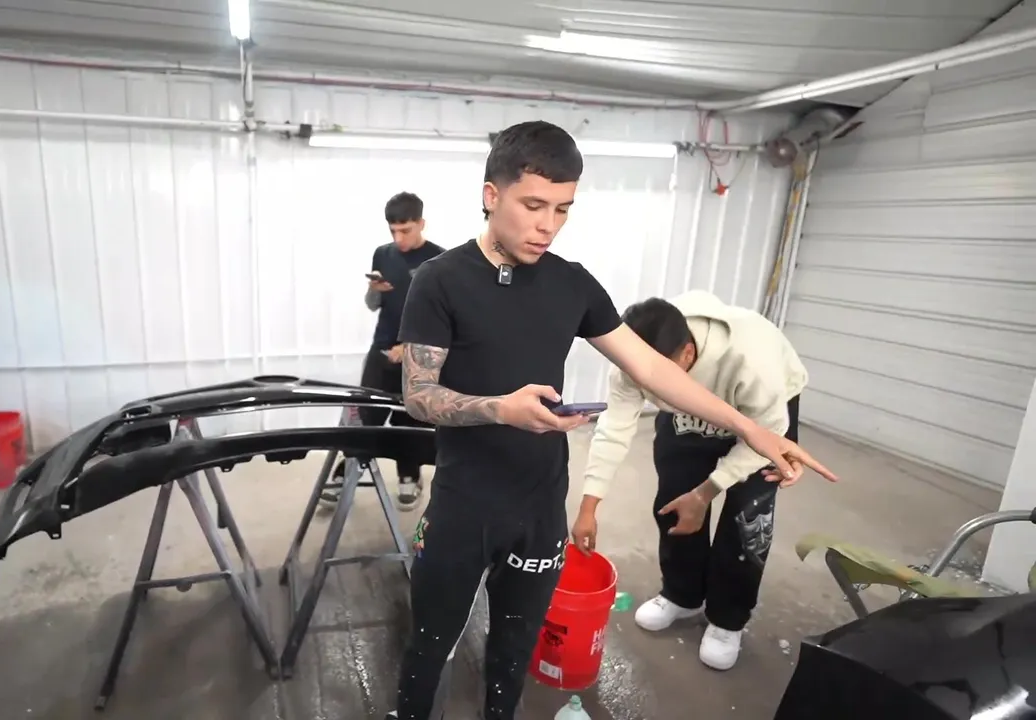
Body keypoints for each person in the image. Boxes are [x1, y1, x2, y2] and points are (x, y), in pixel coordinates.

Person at [386, 121, 836, 720]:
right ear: (492, 195)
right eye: (533, 206)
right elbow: (418, 395)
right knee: (431, 646)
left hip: (539, 508)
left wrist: (754, 429)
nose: (548, 225)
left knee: (515, 649)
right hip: (463, 507)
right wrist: (500, 408)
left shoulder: (571, 283)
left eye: (563, 210)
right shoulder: (439, 281)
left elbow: (651, 367)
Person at [571, 292, 817, 671]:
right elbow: (614, 429)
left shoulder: (752, 361)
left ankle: (727, 619)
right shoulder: (633, 359)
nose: (646, 387)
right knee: (674, 500)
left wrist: (706, 492)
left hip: (762, 410)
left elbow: (765, 438)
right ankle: (682, 595)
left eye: (655, 380)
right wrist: (590, 505)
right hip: (685, 407)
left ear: (687, 354)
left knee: (748, 518)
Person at [322, 192, 444, 510]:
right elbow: (373, 305)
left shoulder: (440, 261)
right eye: (393, 231)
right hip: (381, 347)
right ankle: (347, 471)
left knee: (409, 418)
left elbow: (443, 316)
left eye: (406, 230)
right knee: (365, 415)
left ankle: (409, 475)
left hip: (417, 354)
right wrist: (374, 290)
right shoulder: (382, 254)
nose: (399, 238)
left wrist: (411, 346)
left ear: (421, 224)